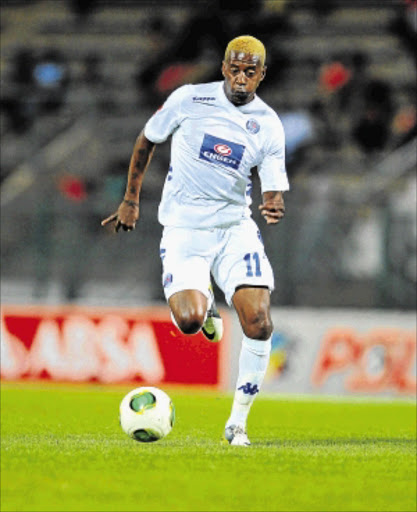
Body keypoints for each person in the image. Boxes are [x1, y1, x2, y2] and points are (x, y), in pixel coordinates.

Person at [102, 35, 289, 446]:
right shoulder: (189, 99)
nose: (241, 77)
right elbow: (147, 139)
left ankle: (237, 423)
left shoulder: (269, 123)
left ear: (262, 74)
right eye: (235, 68)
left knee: (259, 322)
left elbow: (272, 187)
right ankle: (202, 302)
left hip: (234, 228)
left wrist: (273, 204)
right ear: (224, 68)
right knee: (188, 321)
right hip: (185, 229)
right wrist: (130, 199)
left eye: (250, 71)